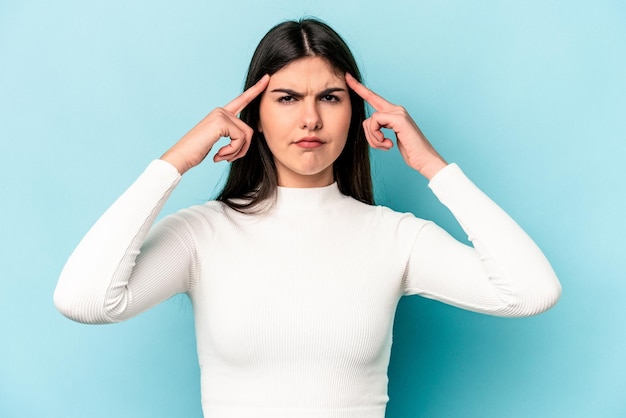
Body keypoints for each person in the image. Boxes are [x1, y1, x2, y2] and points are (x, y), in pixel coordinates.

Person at [54, 18, 561, 418]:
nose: (310, 119)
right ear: (254, 113)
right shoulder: (202, 234)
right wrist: (176, 161)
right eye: (288, 97)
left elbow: (529, 292)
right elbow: (85, 300)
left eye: (330, 97)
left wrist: (433, 166)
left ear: (355, 113)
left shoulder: (395, 237)